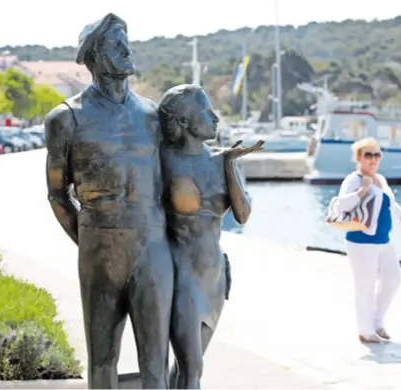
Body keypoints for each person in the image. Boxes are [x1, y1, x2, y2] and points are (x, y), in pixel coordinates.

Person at [44, 13, 174, 388]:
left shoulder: (154, 115)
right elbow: (57, 194)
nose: (127, 50)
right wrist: (89, 240)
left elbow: (177, 183)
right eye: (116, 45)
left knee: (156, 356)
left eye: (126, 42)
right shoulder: (66, 119)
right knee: (102, 358)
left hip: (152, 247)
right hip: (99, 249)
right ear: (94, 58)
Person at [158, 84, 263, 388]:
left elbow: (243, 215)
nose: (215, 117)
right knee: (193, 367)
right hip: (179, 272)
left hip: (214, 276)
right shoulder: (164, 160)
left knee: (187, 367)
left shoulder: (223, 160)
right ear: (182, 121)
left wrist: (229, 163)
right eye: (205, 111)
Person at [337, 137, 401, 343]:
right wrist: (362, 189)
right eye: (368, 155)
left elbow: (392, 206)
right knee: (365, 286)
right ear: (359, 158)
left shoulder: (381, 179)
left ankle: (377, 321)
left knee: (392, 280)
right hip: (360, 241)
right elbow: (342, 205)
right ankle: (365, 330)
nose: (373, 159)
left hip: (383, 241)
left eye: (377, 154)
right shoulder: (353, 180)